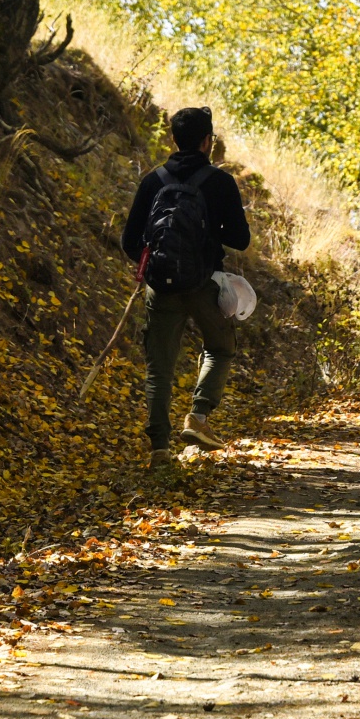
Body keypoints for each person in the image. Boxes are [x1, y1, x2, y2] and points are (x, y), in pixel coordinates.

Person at [121, 107, 252, 468]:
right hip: (203, 283)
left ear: (174, 139)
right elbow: (241, 240)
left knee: (159, 367)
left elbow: (129, 240)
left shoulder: (153, 180)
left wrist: (155, 263)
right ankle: (198, 416)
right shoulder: (220, 182)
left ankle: (159, 449)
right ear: (207, 141)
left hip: (160, 287)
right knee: (221, 347)